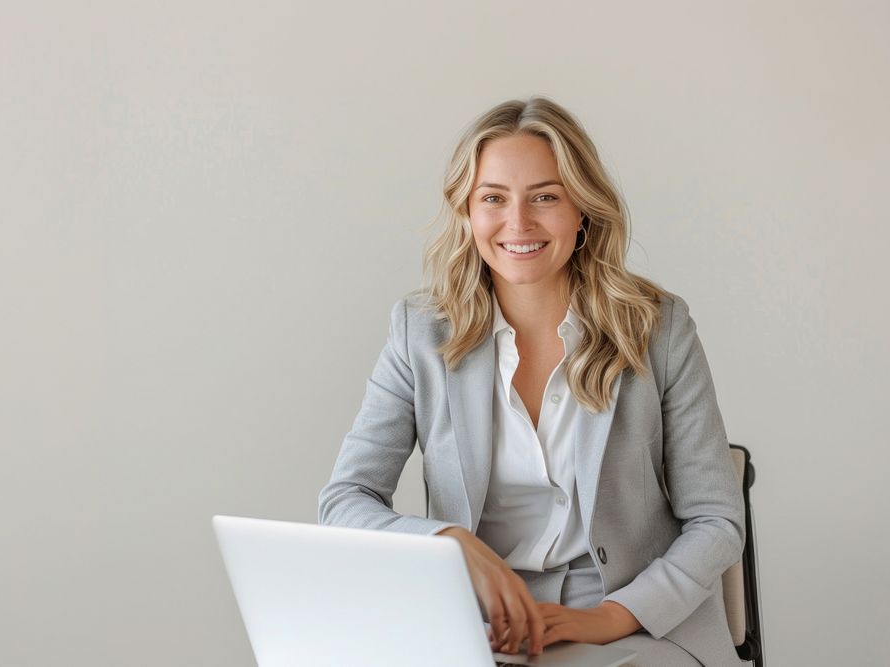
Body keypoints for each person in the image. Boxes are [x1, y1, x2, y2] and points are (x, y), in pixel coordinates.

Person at [318, 96, 746, 667]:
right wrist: (448, 542)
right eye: (493, 198)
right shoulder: (418, 331)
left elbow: (716, 520)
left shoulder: (658, 327)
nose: (518, 223)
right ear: (467, 213)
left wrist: (606, 618)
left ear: (583, 212)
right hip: (474, 625)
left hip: (633, 624)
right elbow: (345, 501)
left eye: (545, 197)